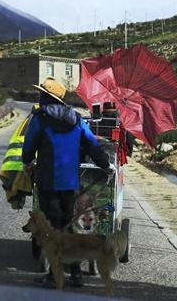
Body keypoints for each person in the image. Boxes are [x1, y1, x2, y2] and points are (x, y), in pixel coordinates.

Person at [22, 77, 111, 288]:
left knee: (53, 229)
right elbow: (91, 145)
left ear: (46, 97)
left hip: (47, 182)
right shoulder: (77, 119)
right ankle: (76, 274)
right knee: (67, 226)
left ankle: (55, 275)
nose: (39, 97)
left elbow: (29, 146)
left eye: (41, 94)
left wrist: (27, 162)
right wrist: (104, 164)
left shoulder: (40, 119)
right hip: (70, 183)